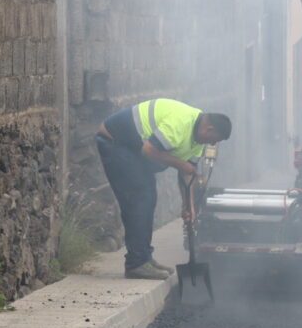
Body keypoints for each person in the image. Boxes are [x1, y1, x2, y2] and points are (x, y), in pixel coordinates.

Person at [96, 99, 231, 280]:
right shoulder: (180, 124)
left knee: (148, 197)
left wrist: (189, 206)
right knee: (140, 198)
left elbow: (187, 174)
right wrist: (180, 163)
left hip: (132, 149)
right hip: (115, 141)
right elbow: (149, 150)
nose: (212, 145)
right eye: (214, 140)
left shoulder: (198, 140)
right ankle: (137, 263)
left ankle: (144, 258)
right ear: (209, 130)